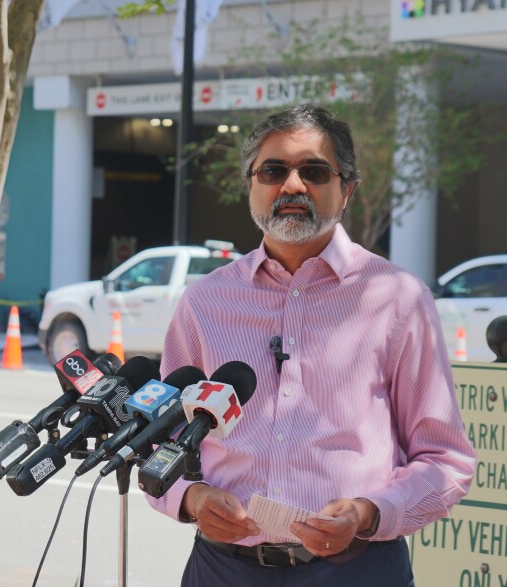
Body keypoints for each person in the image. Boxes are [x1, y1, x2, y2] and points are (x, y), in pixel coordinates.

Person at [147, 103, 476, 586]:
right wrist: (189, 498)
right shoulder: (204, 303)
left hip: (358, 570)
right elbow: (161, 442)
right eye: (274, 170)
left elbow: (446, 460)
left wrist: (368, 512)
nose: (293, 185)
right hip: (222, 569)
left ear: (347, 191)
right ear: (251, 186)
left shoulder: (398, 298)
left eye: (315, 171)